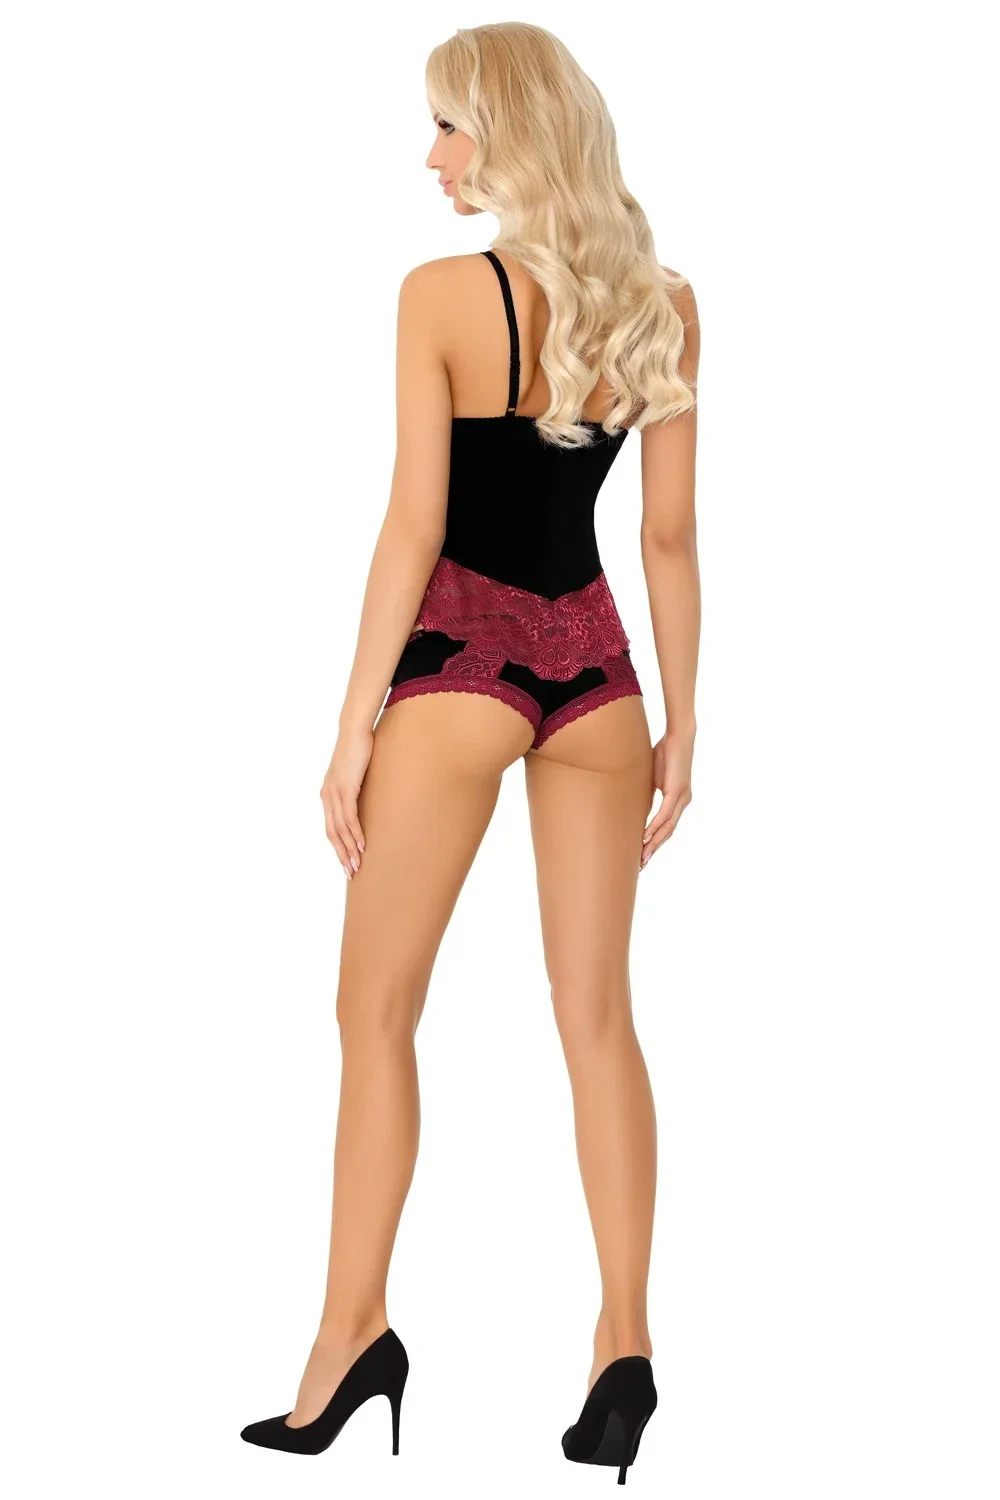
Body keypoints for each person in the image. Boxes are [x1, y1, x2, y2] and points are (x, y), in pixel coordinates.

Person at [241, 21, 700, 1485]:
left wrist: (349, 725)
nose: (431, 156)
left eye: (451, 125)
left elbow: (416, 524)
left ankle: (349, 1340)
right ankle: (624, 1350)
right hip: (602, 682)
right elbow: (668, 538)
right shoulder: (665, 305)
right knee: (599, 1020)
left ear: (514, 131)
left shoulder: (442, 296)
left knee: (373, 1014)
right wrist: (686, 727)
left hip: (460, 668)